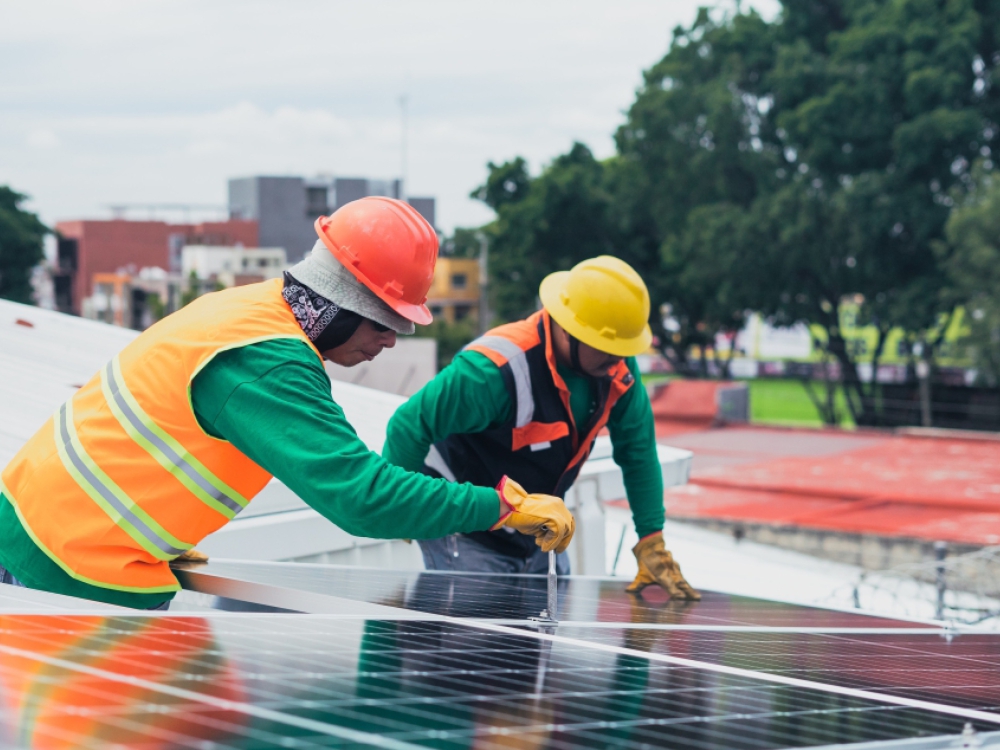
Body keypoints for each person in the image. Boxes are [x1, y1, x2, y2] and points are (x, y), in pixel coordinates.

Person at [0, 197, 574, 610]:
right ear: (347, 302)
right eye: (387, 322)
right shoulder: (269, 363)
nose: (392, 340)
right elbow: (359, 496)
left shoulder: (249, 308)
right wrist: (500, 507)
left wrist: (164, 535)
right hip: (69, 559)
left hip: (40, 522)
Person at [383, 255, 699, 599]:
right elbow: (408, 425)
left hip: (538, 532)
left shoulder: (616, 372)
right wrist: (403, 510)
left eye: (624, 350)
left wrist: (651, 539)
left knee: (538, 641)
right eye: (609, 348)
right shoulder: (493, 370)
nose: (619, 360)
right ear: (568, 329)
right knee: (476, 639)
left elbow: (638, 453)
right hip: (467, 530)